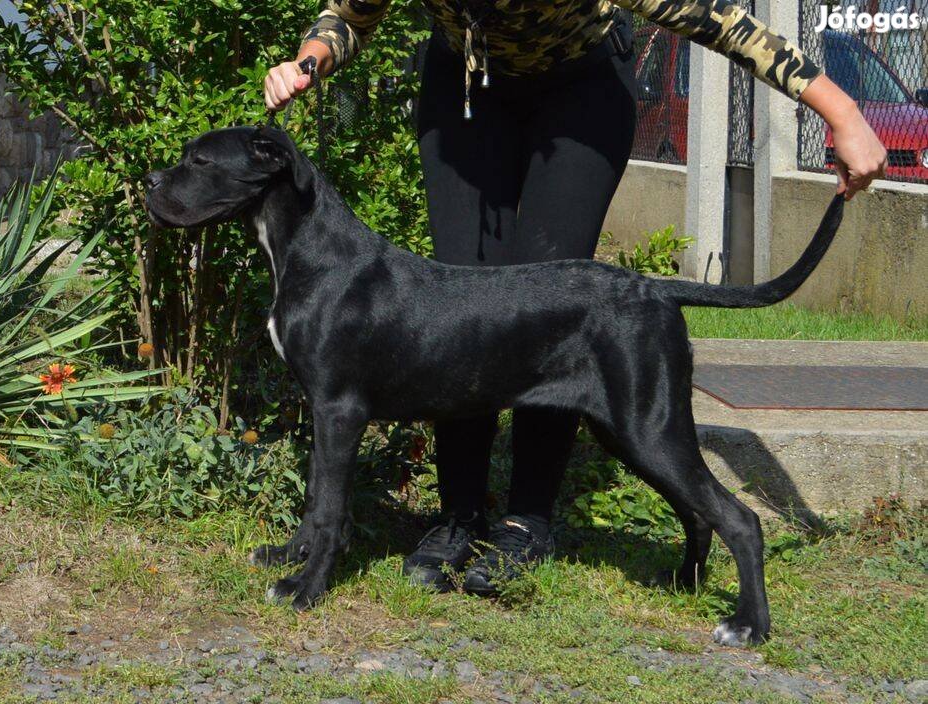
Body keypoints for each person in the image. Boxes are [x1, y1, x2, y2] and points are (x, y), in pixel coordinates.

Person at [264, 0, 887, 594]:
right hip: (467, 89)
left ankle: (527, 519)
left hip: (579, 89)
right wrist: (308, 61)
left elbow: (718, 20)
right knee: (453, 293)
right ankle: (458, 514)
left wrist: (842, 112)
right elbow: (349, 15)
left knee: (550, 299)